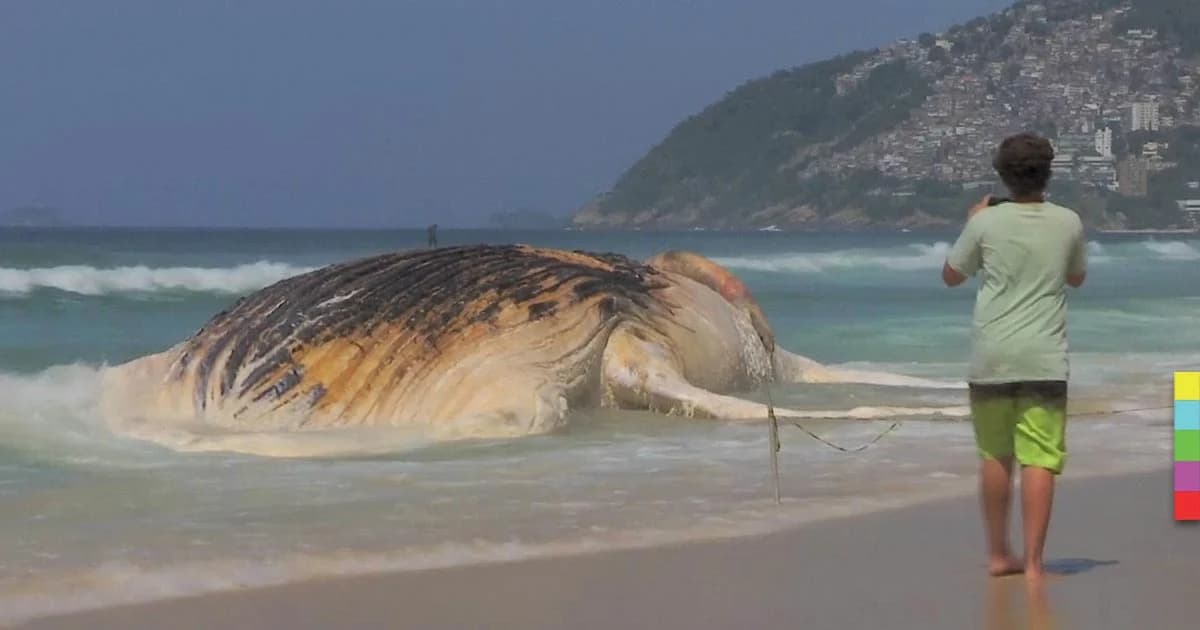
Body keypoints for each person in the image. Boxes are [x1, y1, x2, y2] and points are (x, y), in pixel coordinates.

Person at [941, 132, 1088, 582]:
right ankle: (1036, 563)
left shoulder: (985, 223)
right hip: (1044, 356)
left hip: (993, 355)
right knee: (1040, 457)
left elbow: (951, 276)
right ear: (1047, 173)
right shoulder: (1068, 222)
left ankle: (1000, 554)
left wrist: (974, 221)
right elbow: (1077, 278)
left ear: (1002, 176)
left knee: (994, 454)